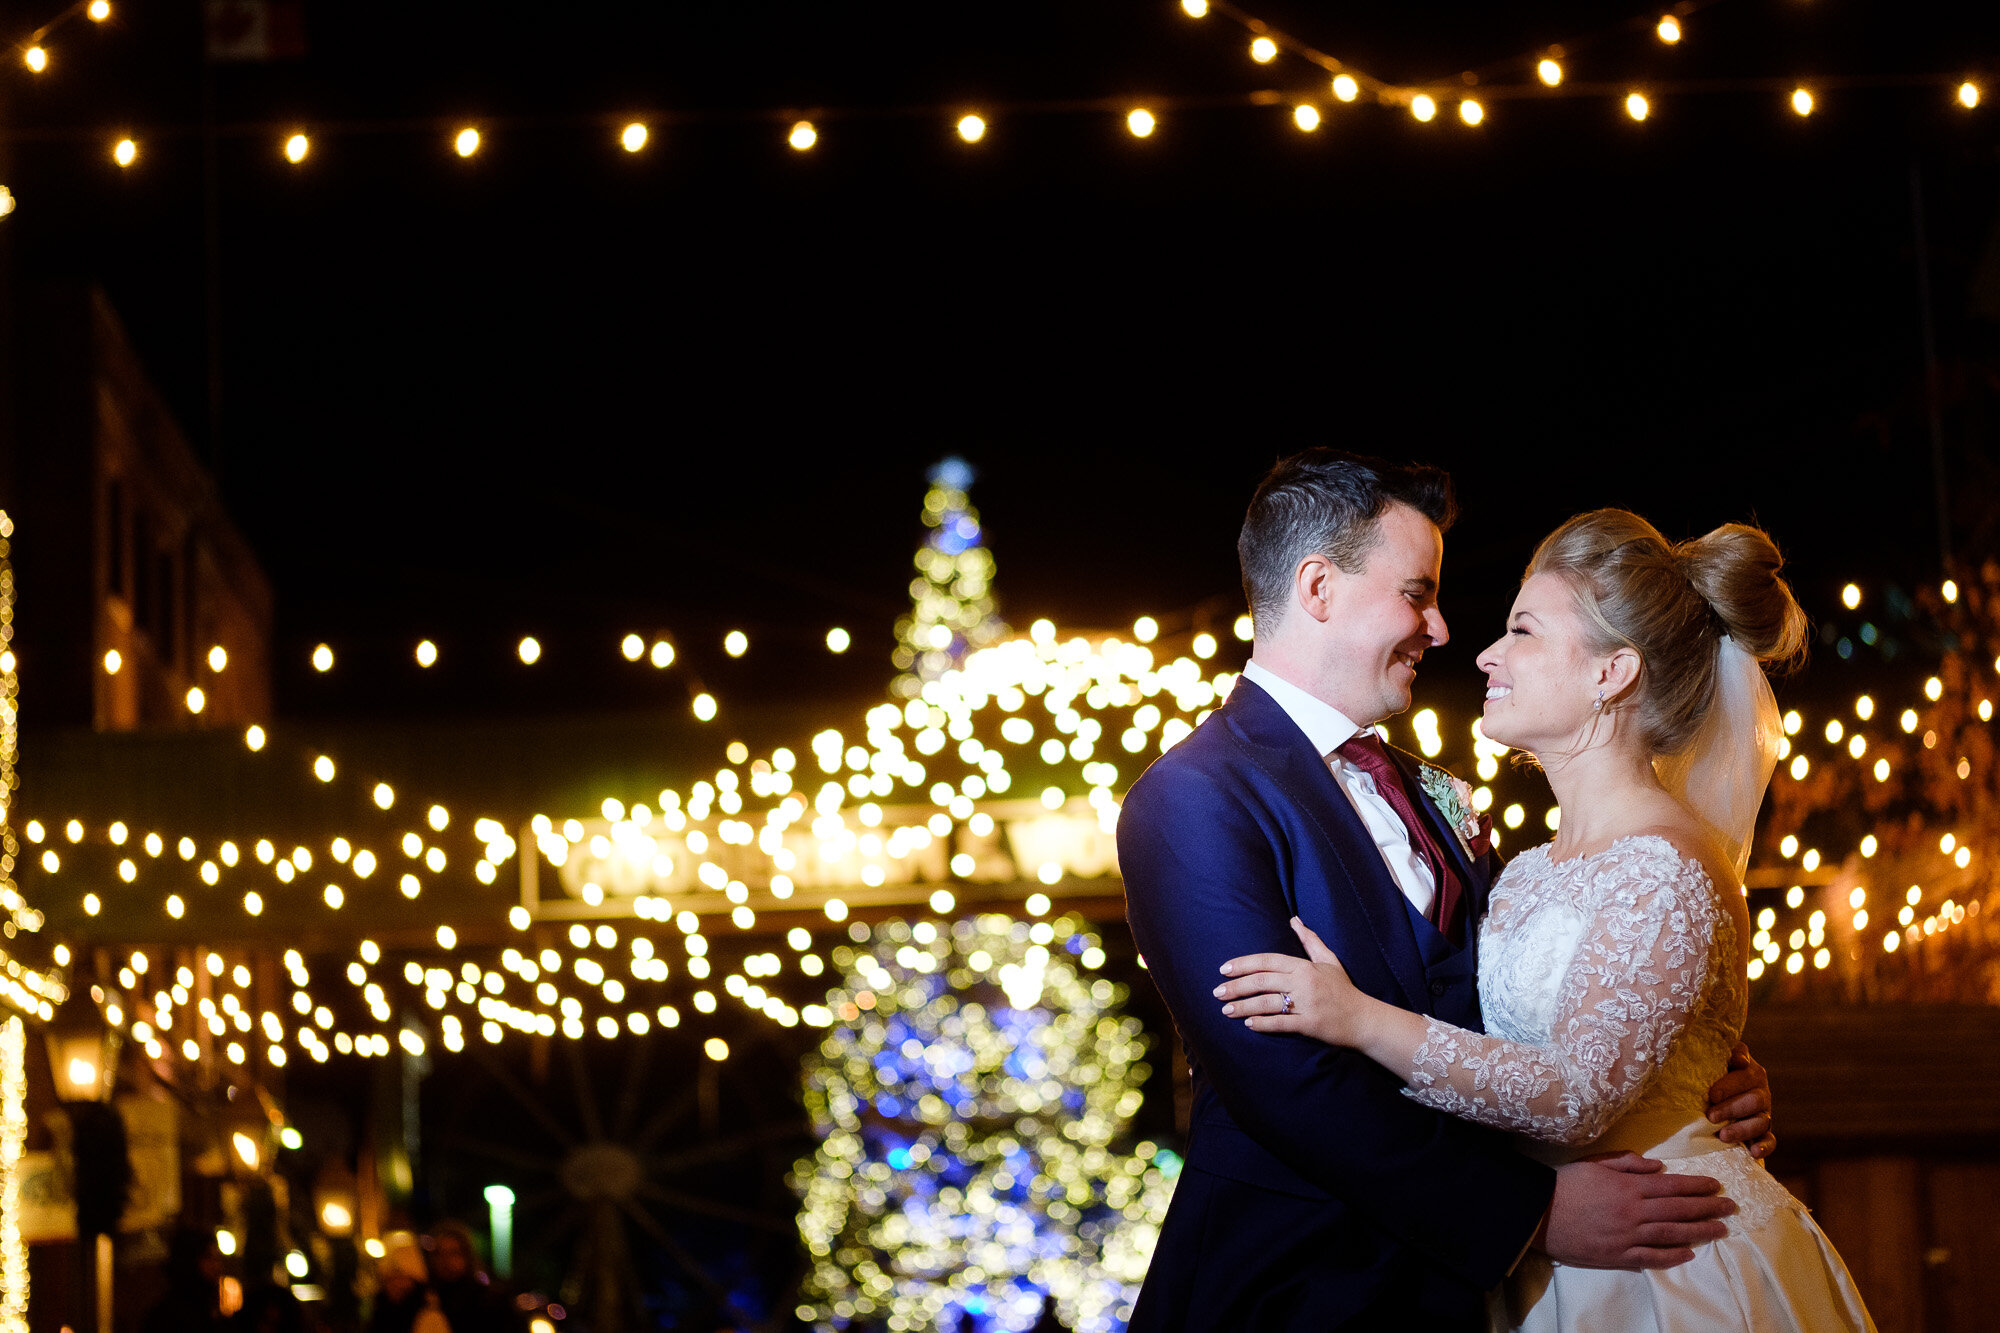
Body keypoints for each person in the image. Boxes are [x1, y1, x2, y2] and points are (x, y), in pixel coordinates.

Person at [1118, 454, 1775, 1331]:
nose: (1440, 627)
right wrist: (1531, 1213)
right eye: (1416, 593)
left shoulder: (1438, 789)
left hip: (1472, 1299)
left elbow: (1536, 995)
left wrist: (1698, 1069)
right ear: (1318, 587)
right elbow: (1287, 1080)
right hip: (1297, 1286)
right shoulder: (1194, 795)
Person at [427, 1220, 526, 1333]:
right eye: (439, 1254)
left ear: (468, 1256)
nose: (446, 1261)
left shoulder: (491, 1300)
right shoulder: (428, 1300)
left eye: (454, 1253)